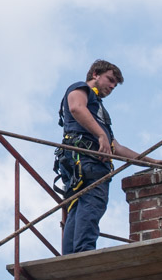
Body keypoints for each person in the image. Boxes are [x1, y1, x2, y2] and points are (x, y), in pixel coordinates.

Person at [56, 60, 140, 255]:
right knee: (92, 203)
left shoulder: (98, 110)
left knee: (77, 207)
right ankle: (84, 252)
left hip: (81, 161)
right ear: (95, 74)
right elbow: (76, 107)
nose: (112, 86)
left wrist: (150, 162)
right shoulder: (80, 88)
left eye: (115, 85)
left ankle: (70, 256)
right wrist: (100, 135)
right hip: (86, 159)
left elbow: (115, 147)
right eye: (110, 80)